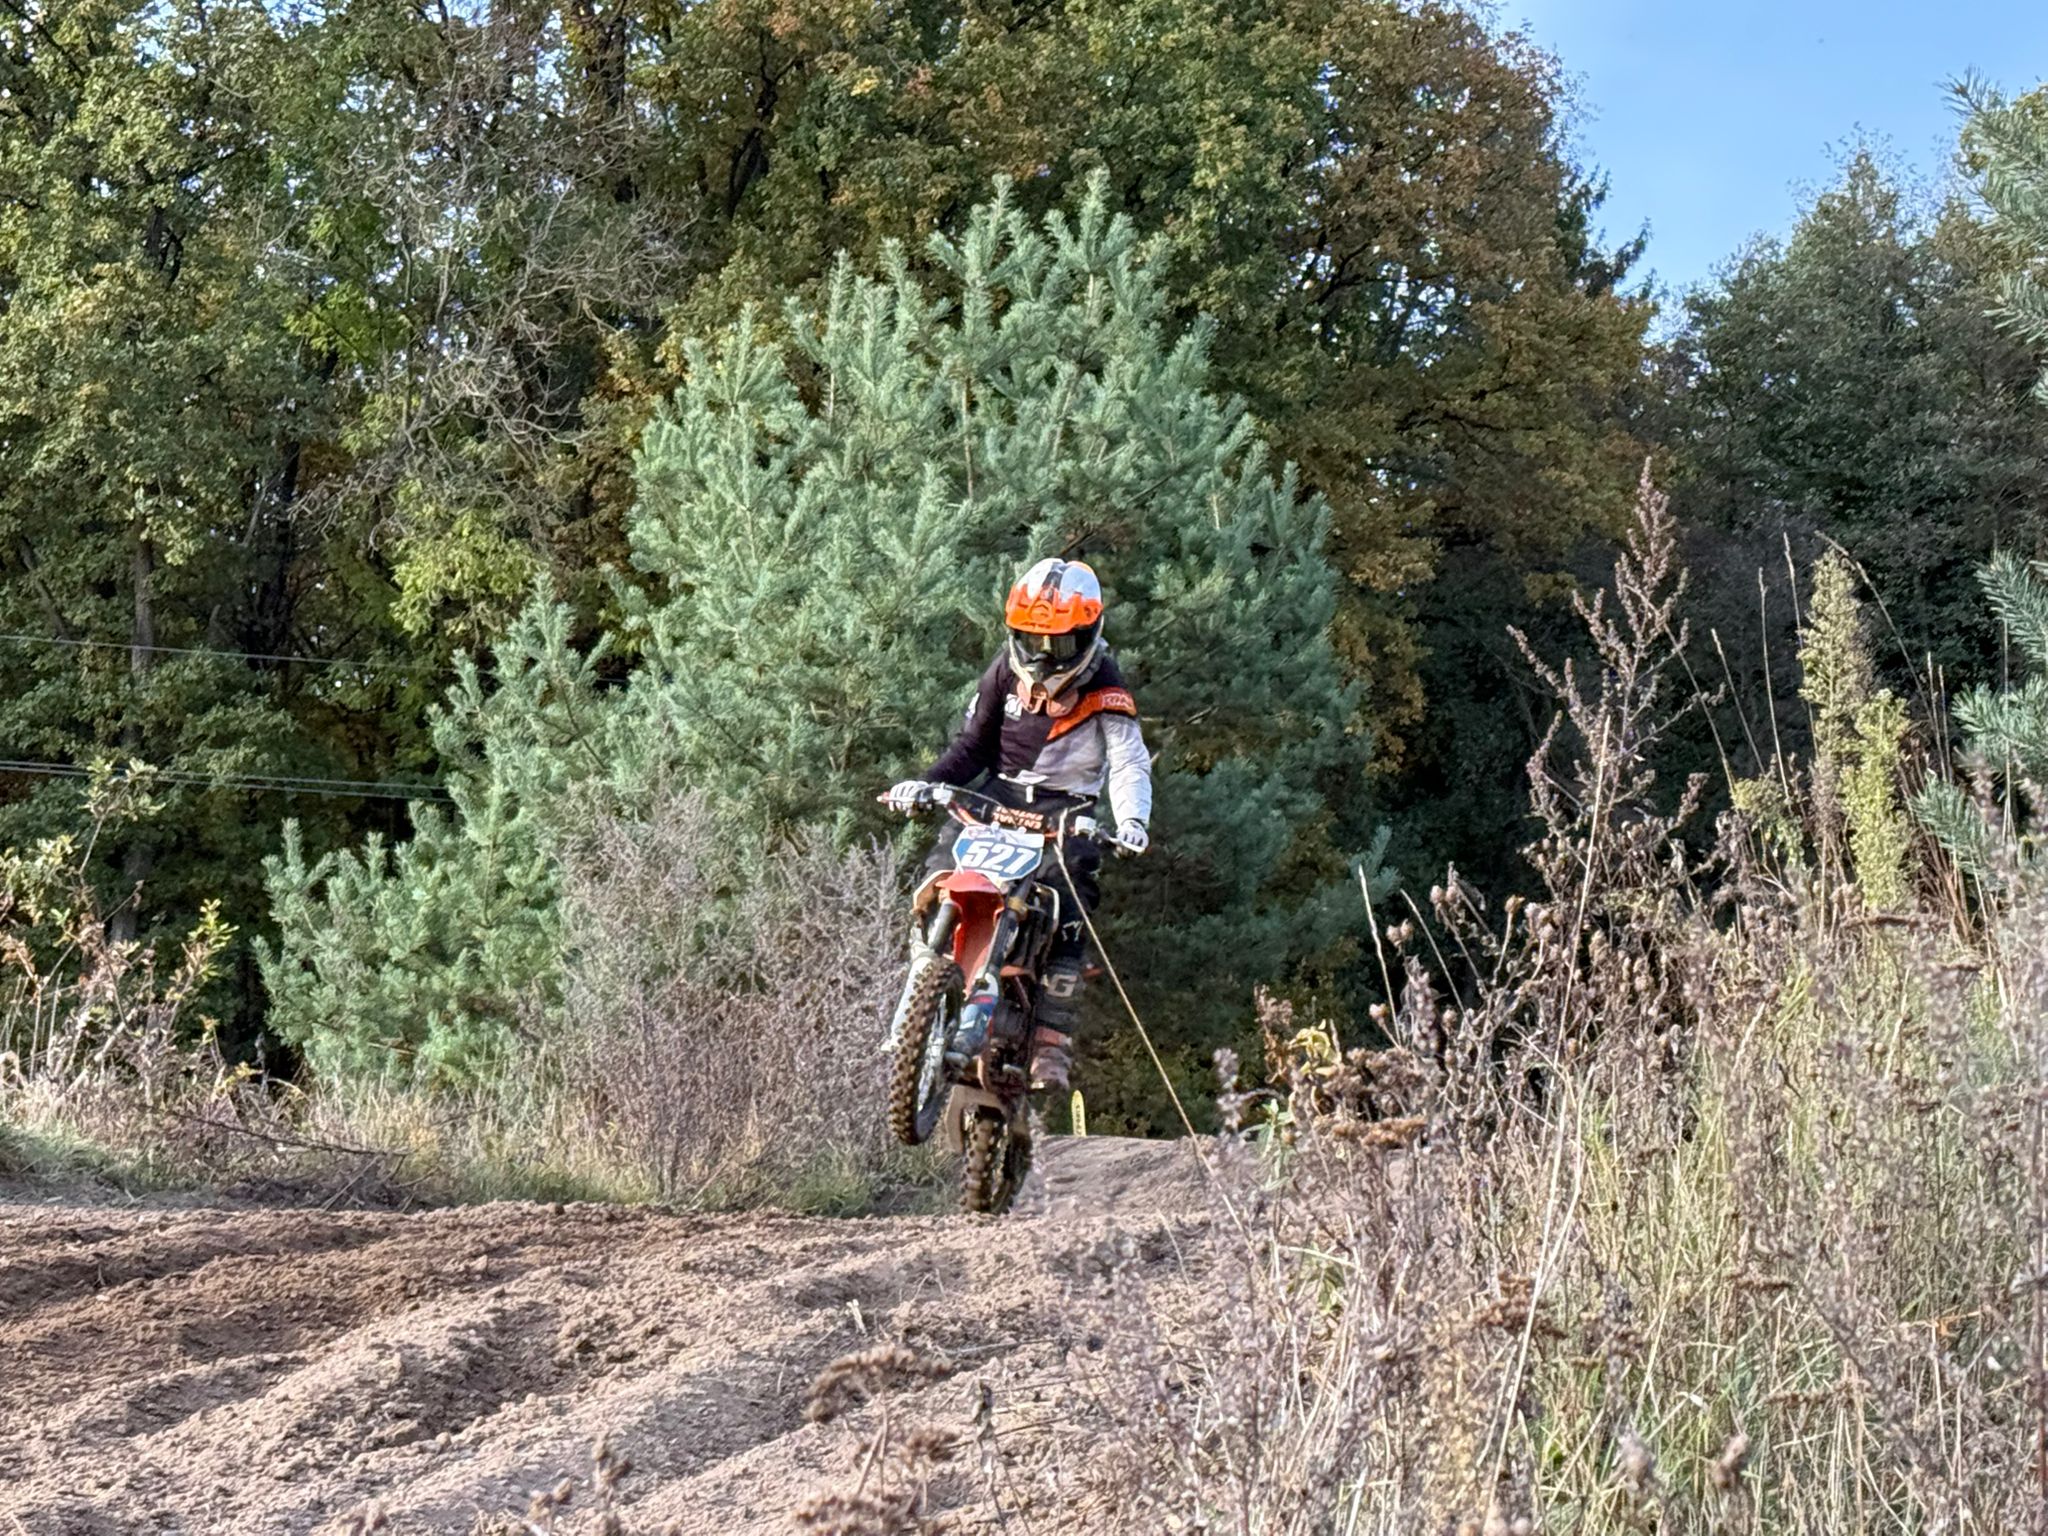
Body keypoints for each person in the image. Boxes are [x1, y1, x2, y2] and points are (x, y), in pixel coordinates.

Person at [885, 557, 1153, 1091]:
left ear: (1088, 634)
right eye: (1033, 640)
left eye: (1060, 643)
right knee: (938, 872)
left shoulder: (1106, 686)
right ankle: (924, 987)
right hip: (998, 796)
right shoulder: (1004, 671)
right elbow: (971, 746)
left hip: (1065, 809)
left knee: (1071, 899)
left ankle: (1052, 1041)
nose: (1044, 656)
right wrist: (925, 783)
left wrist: (1131, 821)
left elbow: (1128, 762)